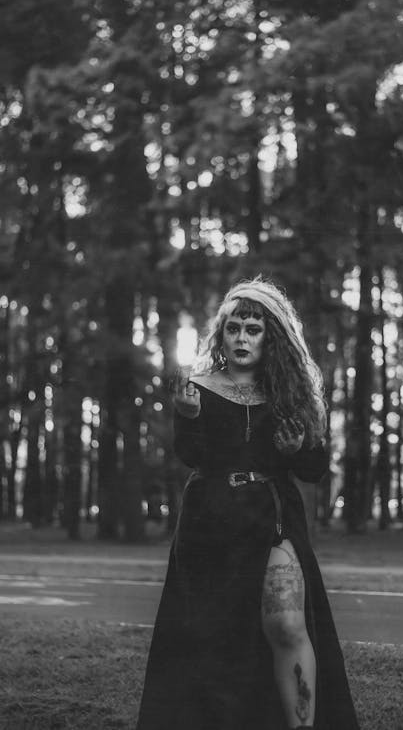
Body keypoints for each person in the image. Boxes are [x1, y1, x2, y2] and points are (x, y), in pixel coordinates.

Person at [136, 277, 359, 730]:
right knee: (212, 637)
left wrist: (298, 447)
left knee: (288, 626)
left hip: (274, 517)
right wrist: (188, 417)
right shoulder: (198, 388)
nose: (241, 337)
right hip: (210, 522)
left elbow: (315, 468)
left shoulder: (290, 393)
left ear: (270, 337)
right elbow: (192, 457)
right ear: (221, 333)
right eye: (233, 327)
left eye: (253, 329)